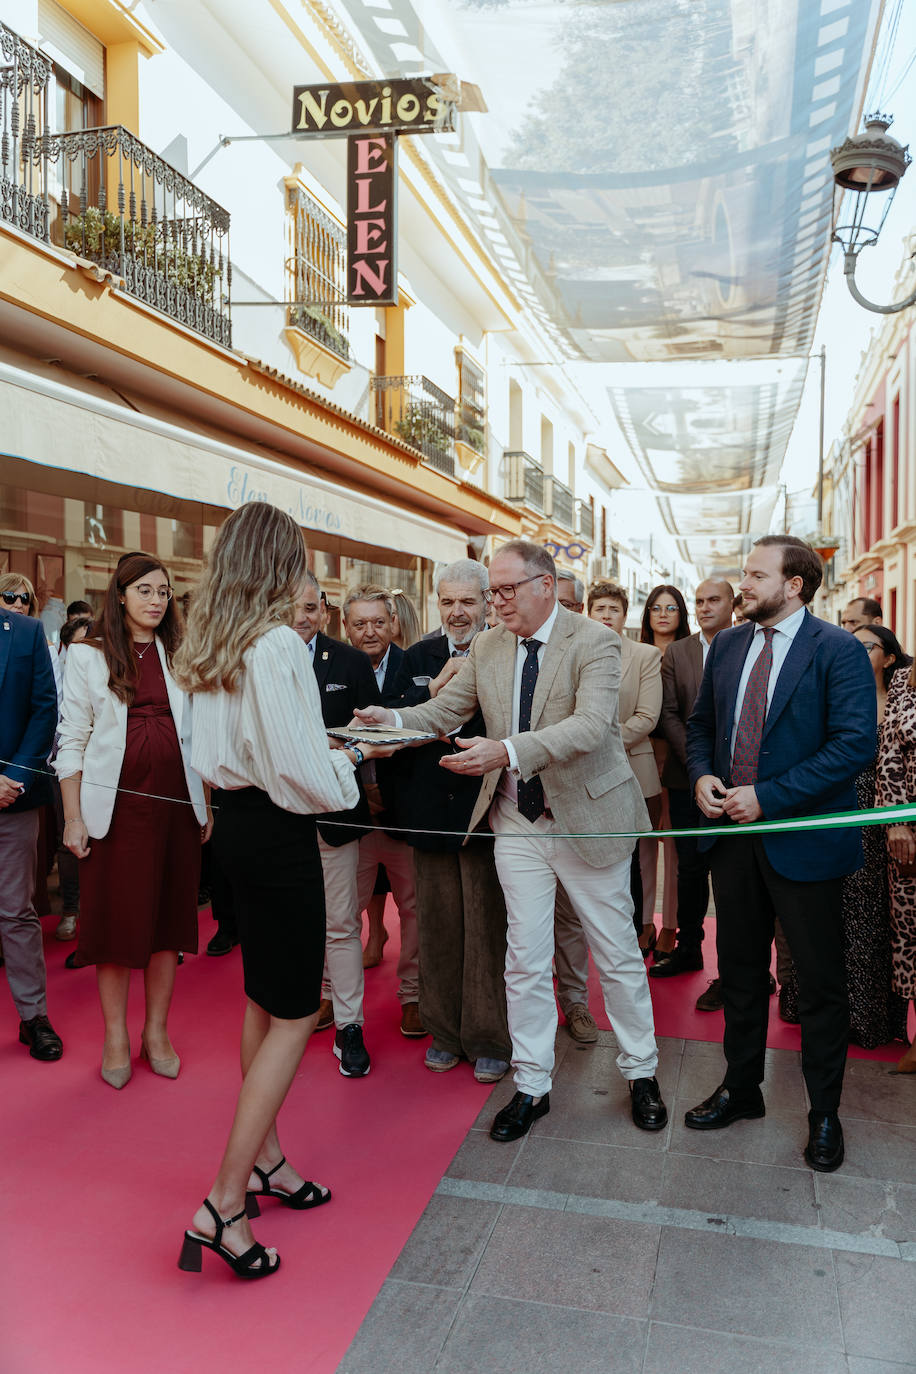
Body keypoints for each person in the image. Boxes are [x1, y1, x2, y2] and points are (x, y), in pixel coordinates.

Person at [355, 539, 667, 1142]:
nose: (494, 603)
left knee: (617, 952)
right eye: (491, 592)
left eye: (505, 590)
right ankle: (531, 1083)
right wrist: (390, 720)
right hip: (516, 822)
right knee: (523, 956)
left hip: (586, 819)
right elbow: (446, 708)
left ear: (545, 585)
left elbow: (591, 725)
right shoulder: (491, 645)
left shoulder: (595, 641)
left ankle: (642, 1072)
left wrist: (507, 751)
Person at [173, 502, 389, 1280]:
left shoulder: (210, 642)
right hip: (277, 833)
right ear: (277, 562)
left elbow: (208, 754)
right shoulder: (275, 645)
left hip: (236, 829)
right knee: (298, 1013)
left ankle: (264, 1164)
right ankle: (224, 1202)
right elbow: (303, 773)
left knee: (263, 1002)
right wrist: (354, 754)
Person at [686, 535, 875, 1173]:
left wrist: (768, 797)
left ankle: (824, 1114)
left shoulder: (839, 650)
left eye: (755, 575)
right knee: (739, 973)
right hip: (731, 844)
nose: (744, 584)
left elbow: (853, 745)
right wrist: (701, 776)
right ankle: (743, 1090)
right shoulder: (730, 645)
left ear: (794, 584)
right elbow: (703, 727)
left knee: (820, 985)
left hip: (805, 843)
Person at [55, 553, 210, 1089]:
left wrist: (204, 802)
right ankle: (116, 1035)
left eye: (163, 592)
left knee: (169, 926)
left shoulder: (181, 653)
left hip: (176, 808)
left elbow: (200, 734)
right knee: (115, 926)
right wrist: (73, 816)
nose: (155, 600)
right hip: (113, 813)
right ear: (119, 595)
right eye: (144, 590)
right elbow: (71, 739)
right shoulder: (87, 656)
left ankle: (157, 1033)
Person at [386, 558, 511, 1082]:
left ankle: (487, 1037)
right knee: (436, 927)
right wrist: (428, 694)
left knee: (486, 927)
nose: (457, 613)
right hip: (432, 811)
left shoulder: (507, 650)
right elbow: (394, 720)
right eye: (447, 602)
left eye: (467, 601)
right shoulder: (417, 656)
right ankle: (442, 1032)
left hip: (487, 811)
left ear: (487, 602)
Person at [553, 580, 661, 1040]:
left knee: (621, 896)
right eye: (600, 608)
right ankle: (569, 1007)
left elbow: (646, 717)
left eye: (613, 609)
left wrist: (596, 736)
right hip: (554, 792)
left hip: (623, 777)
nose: (606, 615)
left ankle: (640, 1059)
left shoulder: (643, 656)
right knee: (553, 918)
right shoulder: (546, 651)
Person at [294, 571, 381, 1077]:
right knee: (290, 924)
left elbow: (373, 738)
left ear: (325, 610)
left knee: (342, 924)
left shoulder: (348, 661)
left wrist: (340, 748)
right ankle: (293, 1012)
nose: (303, 617)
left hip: (337, 815)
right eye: (293, 607)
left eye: (311, 607)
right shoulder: (258, 663)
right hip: (279, 817)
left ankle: (351, 1025)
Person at [344, 585, 424, 1035]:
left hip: (402, 810)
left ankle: (411, 996)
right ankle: (332, 997)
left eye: (379, 621)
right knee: (341, 911)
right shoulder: (334, 665)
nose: (370, 631)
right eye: (360, 623)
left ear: (393, 622)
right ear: (346, 626)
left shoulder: (414, 668)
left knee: (414, 909)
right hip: (350, 813)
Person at [829, 625, 910, 1048]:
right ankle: (842, 1015)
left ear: (889, 658)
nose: (858, 652)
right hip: (838, 816)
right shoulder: (840, 696)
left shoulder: (900, 704)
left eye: (868, 646)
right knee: (843, 916)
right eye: (853, 645)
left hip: (886, 825)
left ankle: (876, 1018)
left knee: (881, 921)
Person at [654, 579, 734, 991]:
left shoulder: (748, 643)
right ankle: (688, 949)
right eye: (699, 601)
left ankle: (736, 969)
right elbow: (668, 714)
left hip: (740, 781)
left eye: (713, 600)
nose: (704, 607)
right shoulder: (678, 653)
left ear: (731, 604)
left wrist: (725, 768)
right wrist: (700, 766)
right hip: (687, 780)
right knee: (689, 869)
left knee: (734, 873)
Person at [0, 606, 62, 1061]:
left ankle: (33, 1017)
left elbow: (45, 710)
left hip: (12, 798)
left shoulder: (26, 631)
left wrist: (14, 776)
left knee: (17, 911)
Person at [638, 584, 690, 957]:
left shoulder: (691, 653)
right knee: (641, 842)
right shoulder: (633, 653)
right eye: (656, 607)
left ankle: (671, 924)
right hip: (639, 754)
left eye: (671, 607)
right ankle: (643, 921)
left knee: (673, 844)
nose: (663, 614)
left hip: (677, 757)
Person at [876, 652, 916, 1073]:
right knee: (909, 931)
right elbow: (889, 756)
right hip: (910, 838)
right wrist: (897, 823)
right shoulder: (904, 679)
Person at [50, 615, 92, 942]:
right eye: (78, 645)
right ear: (65, 647)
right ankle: (70, 910)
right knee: (69, 841)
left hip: (102, 770)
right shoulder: (55, 672)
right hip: (63, 767)